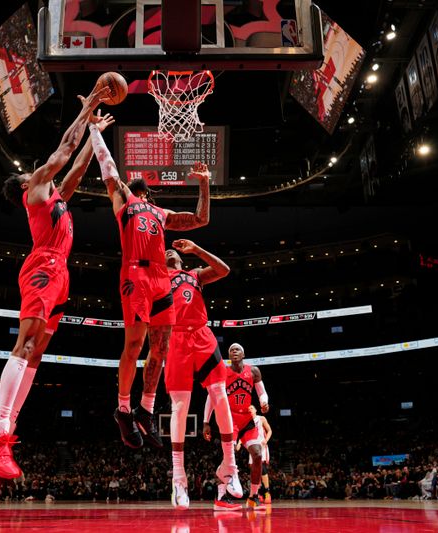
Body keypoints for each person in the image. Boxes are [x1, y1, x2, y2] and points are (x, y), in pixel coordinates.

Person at [0, 86, 113, 479]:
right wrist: (86, 108)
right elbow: (62, 153)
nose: (36, 170)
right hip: (42, 267)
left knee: (38, 354)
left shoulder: (58, 197)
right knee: (28, 343)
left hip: (61, 272)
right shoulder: (35, 189)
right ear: (24, 185)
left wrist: (96, 134)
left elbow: (76, 169)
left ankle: (8, 430)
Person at [88, 121, 212, 449]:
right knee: (134, 347)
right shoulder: (123, 200)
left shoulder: (160, 213)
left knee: (160, 349)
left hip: (160, 279)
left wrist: (204, 184)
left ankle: (146, 408)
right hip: (135, 276)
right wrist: (94, 129)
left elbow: (201, 219)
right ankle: (123, 409)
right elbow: (109, 167)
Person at [163, 239, 242, 510]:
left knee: (220, 393)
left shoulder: (195, 275)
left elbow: (223, 270)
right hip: (175, 339)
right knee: (181, 407)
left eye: (171, 250)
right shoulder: (160, 277)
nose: (168, 251)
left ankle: (229, 467)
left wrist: (196, 248)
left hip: (202, 335)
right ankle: (179, 478)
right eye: (165, 252)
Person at [205, 343, 270, 508]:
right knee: (229, 455)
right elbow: (210, 397)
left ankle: (253, 496)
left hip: (247, 420)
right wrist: (206, 421)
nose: (234, 351)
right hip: (230, 419)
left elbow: (261, 392)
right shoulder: (223, 372)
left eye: (237, 349)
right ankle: (221, 496)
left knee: (257, 454)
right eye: (231, 350)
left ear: (243, 354)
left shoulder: (253, 371)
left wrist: (264, 402)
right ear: (229, 356)